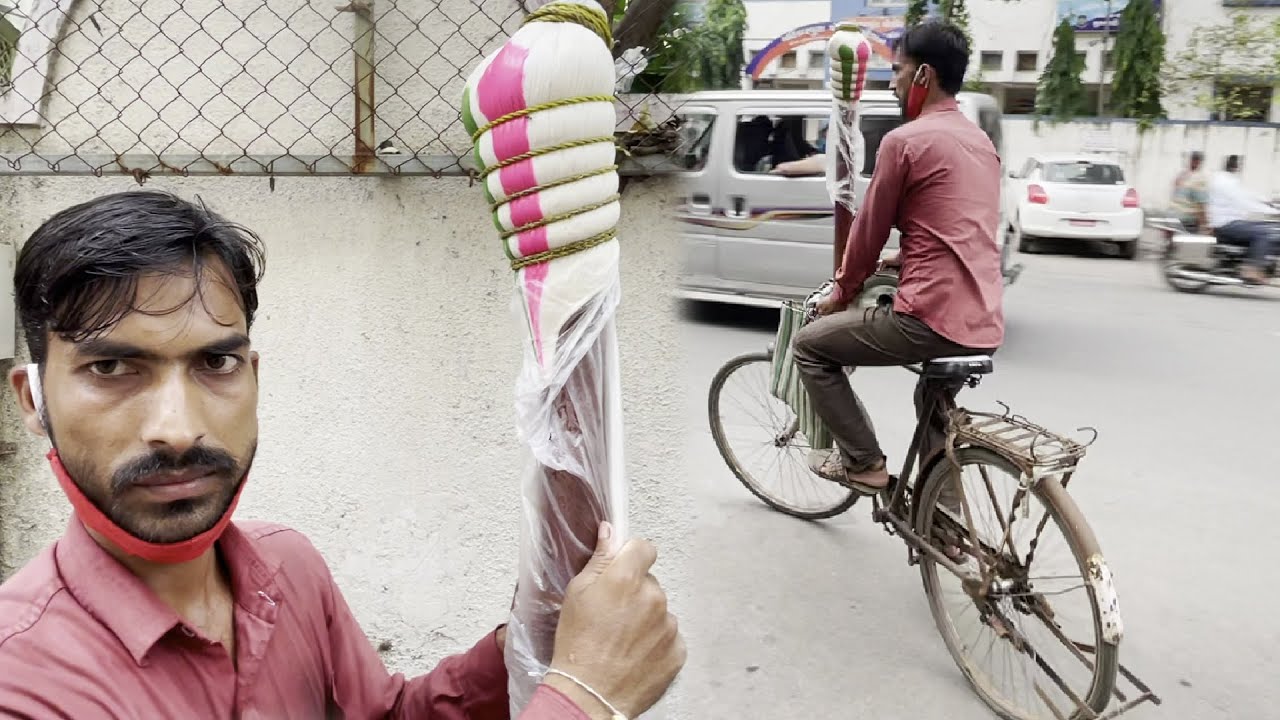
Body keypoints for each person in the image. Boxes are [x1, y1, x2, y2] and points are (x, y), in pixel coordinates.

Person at [0, 190, 685, 719]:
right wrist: (586, 695)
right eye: (113, 368)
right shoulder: (24, 683)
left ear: (254, 375)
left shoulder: (288, 569)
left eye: (215, 361)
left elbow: (385, 715)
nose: (177, 429)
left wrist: (529, 646)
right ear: (33, 400)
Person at [792, 21, 1004, 494]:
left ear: (924, 75)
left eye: (900, 71)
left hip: (931, 317)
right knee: (932, 398)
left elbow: (866, 232)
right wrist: (906, 258)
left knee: (811, 346)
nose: (894, 83)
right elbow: (961, 227)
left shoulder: (904, 141)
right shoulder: (981, 144)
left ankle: (864, 463)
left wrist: (842, 290)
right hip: (985, 318)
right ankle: (945, 524)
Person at [1207, 154, 1279, 284]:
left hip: (1232, 222)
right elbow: (1245, 201)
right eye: (1238, 165)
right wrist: (1273, 211)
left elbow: (1247, 194)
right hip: (1226, 225)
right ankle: (1252, 269)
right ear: (1236, 166)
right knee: (1264, 234)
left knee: (1267, 227)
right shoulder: (1225, 182)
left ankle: (1261, 262)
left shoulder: (1226, 179)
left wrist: (1269, 201)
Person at [1170, 151, 1208, 232]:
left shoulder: (1181, 175)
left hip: (1172, 215)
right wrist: (1205, 224)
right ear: (1199, 162)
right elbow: (1201, 205)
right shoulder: (1199, 178)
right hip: (1186, 219)